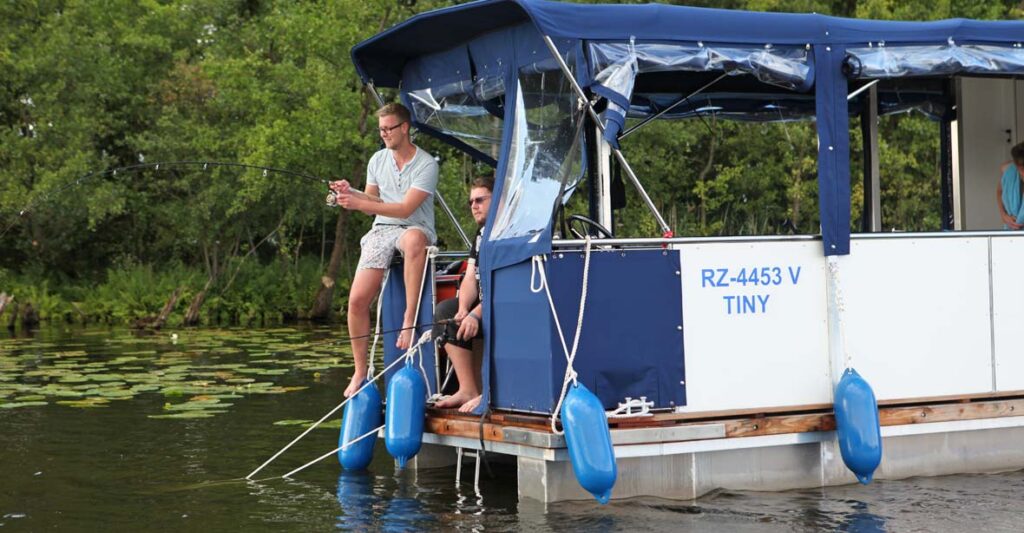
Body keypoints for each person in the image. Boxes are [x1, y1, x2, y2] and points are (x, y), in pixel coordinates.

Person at [329, 102, 439, 398]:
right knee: (356, 301)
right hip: (382, 230)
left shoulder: (427, 164)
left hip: (414, 226)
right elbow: (372, 201)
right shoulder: (377, 160)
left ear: (405, 128)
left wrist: (359, 203)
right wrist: (349, 192)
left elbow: (405, 209)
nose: (384, 134)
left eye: (388, 128)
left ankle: (408, 320)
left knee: (415, 239)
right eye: (380, 130)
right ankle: (360, 371)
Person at [431, 176, 493, 413]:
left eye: (480, 200)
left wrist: (476, 315)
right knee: (446, 312)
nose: (474, 206)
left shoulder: (504, 234)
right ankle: (468, 389)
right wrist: (463, 309)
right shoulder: (481, 234)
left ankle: (491, 392)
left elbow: (501, 289)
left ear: (496, 199)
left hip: (505, 305)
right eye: (470, 202)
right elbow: (470, 276)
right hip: (484, 301)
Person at [996, 142, 1024, 230]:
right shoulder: (1008, 171)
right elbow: (999, 192)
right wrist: (1004, 215)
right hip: (1011, 231)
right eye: (1021, 169)